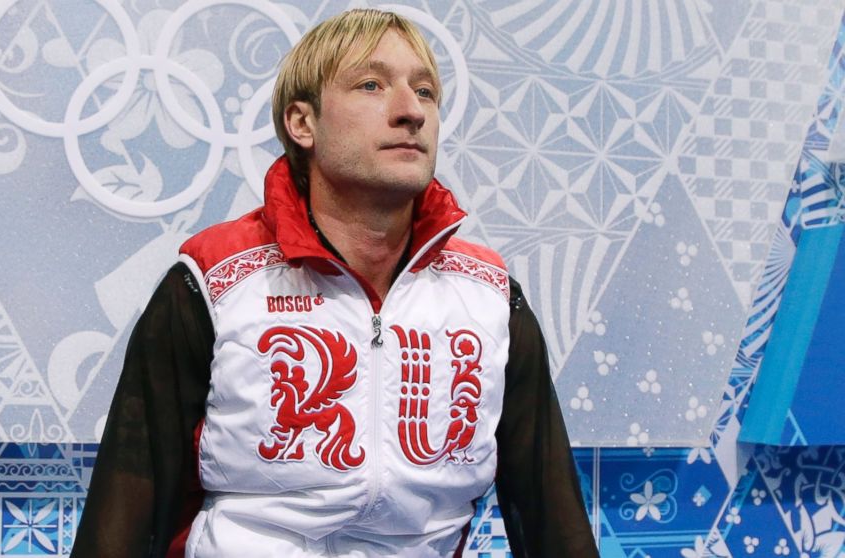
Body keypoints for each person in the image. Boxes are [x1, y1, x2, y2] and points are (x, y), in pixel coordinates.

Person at [71, 8, 599, 558]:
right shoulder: (212, 281)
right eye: (372, 85)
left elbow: (552, 520)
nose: (411, 111)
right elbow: (124, 510)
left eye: (425, 91)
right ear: (303, 123)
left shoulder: (490, 296)